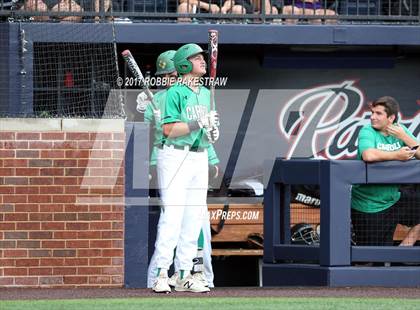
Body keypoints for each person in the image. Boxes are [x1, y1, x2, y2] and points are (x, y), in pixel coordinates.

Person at [144, 50, 219, 290]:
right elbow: (168, 131)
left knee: (193, 218)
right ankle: (161, 274)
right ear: (185, 66)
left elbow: (205, 131)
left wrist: (212, 132)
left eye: (202, 57)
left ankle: (184, 273)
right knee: (173, 218)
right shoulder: (174, 93)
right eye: (196, 58)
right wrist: (199, 123)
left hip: (199, 156)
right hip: (175, 155)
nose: (203, 61)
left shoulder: (206, 93)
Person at [351, 96, 420, 247]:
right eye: (372, 112)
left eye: (378, 113)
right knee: (372, 259)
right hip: (368, 204)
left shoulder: (400, 131)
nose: (372, 117)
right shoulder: (367, 131)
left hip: (394, 198)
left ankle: (404, 251)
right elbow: (368, 155)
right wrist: (397, 155)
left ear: (391, 118)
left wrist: (404, 137)